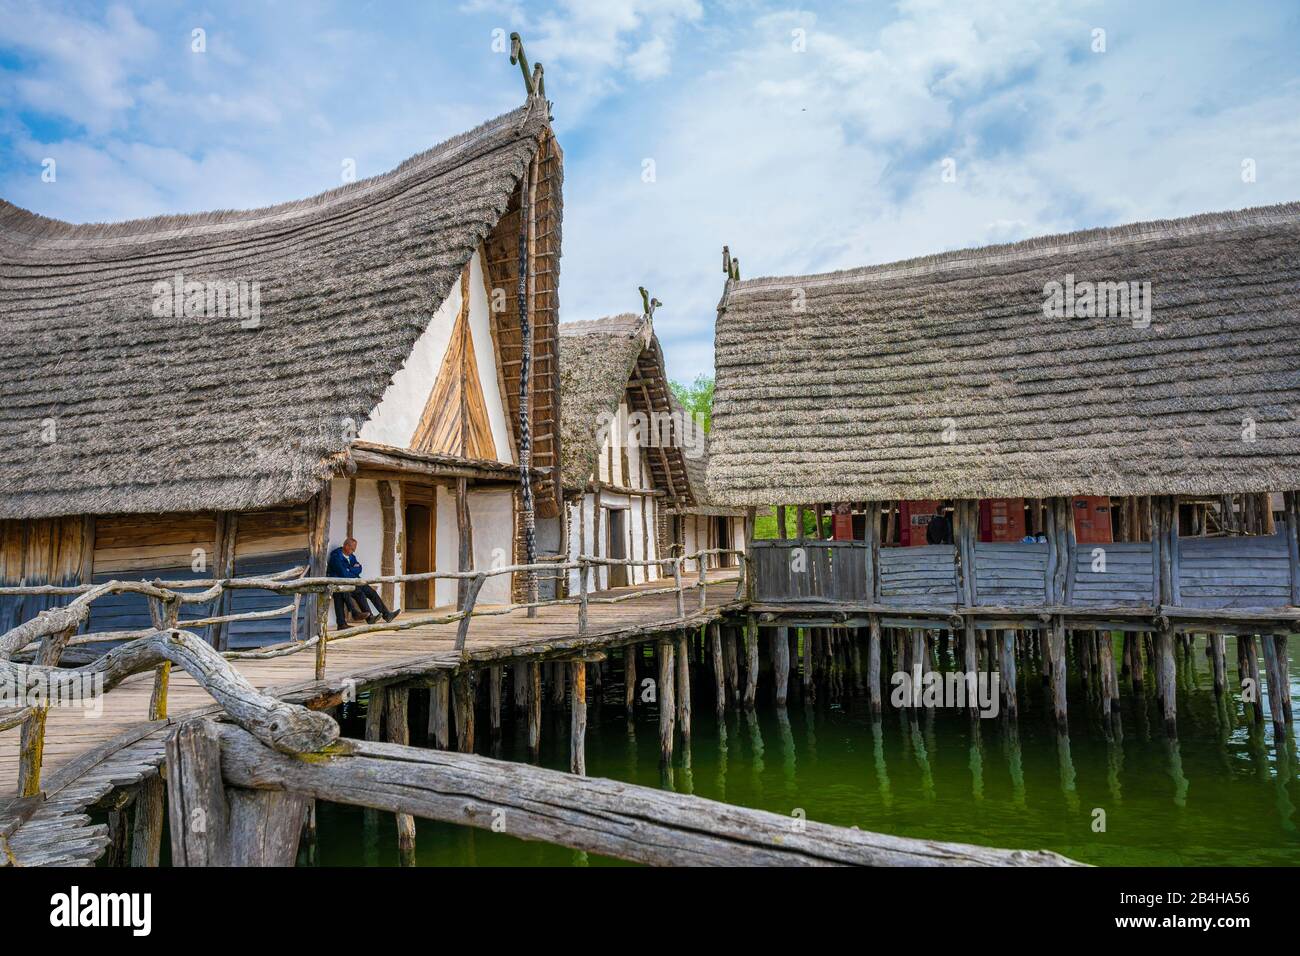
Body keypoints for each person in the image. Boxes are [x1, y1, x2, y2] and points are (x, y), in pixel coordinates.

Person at [327, 537, 399, 626]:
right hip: (341, 583)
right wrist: (352, 569)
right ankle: (369, 618)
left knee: (371, 592)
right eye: (352, 549)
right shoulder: (336, 557)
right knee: (358, 593)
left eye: (354, 549)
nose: (353, 551)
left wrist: (349, 570)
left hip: (354, 581)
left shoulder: (352, 556)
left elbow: (359, 568)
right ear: (346, 546)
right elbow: (344, 574)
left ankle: (387, 615)